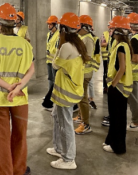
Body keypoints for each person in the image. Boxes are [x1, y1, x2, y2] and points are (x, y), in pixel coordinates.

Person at [0, 3, 34, 175]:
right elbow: (31, 70)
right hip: (20, 98)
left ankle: (5, 173)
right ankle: (19, 170)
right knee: (20, 135)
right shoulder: (25, 45)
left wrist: (7, 86)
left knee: (1, 138)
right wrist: (18, 88)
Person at [46, 12, 88, 170]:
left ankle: (69, 159)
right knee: (56, 116)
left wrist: (59, 44)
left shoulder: (66, 46)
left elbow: (55, 65)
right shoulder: (78, 44)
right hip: (68, 89)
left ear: (63, 29)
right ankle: (58, 149)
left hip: (66, 92)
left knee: (65, 124)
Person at [103, 16, 133, 154]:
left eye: (112, 29)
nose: (110, 31)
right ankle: (111, 140)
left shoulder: (121, 47)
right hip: (121, 88)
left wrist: (112, 85)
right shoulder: (123, 45)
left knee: (117, 118)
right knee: (117, 117)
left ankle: (118, 146)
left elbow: (122, 68)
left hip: (118, 88)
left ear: (118, 31)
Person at [73, 15, 95, 135]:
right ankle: (80, 116)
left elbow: (88, 57)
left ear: (84, 27)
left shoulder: (88, 39)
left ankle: (86, 125)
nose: (76, 28)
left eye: (78, 26)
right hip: (81, 72)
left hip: (85, 73)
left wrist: (75, 58)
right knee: (80, 97)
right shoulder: (83, 37)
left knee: (83, 98)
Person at [101, 20, 118, 127]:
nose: (110, 29)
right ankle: (111, 115)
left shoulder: (119, 42)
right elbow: (102, 43)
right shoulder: (107, 35)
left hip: (115, 72)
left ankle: (114, 118)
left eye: (112, 28)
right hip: (108, 61)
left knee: (116, 97)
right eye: (109, 27)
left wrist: (114, 82)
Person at [42, 15, 60, 111]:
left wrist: (51, 52)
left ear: (55, 25)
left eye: (50, 24)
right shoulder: (49, 34)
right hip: (49, 60)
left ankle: (53, 98)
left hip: (54, 61)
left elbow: (57, 48)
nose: (48, 26)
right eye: (48, 24)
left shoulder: (58, 35)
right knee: (50, 79)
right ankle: (49, 95)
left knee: (55, 80)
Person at [88, 26, 100, 109]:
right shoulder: (95, 38)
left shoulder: (91, 39)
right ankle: (91, 99)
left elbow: (96, 51)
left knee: (88, 83)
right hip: (90, 63)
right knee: (90, 83)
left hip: (88, 63)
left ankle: (90, 99)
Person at [101, 27, 110, 94]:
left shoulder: (114, 34)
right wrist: (111, 43)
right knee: (106, 72)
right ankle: (105, 87)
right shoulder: (104, 34)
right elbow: (102, 44)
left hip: (112, 57)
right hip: (105, 57)